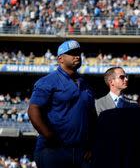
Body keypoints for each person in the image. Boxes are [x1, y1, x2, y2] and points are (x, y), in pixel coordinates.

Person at [28, 40, 96, 168]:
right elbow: (33, 110)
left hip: (81, 151)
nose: (77, 56)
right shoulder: (48, 81)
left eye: (78, 53)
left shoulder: (86, 84)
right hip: (54, 150)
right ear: (61, 59)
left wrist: (91, 145)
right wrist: (49, 135)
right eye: (72, 53)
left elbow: (92, 116)